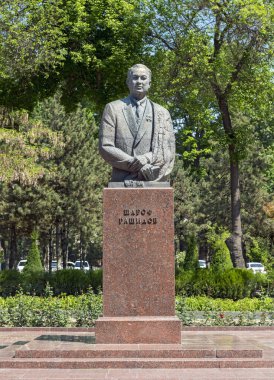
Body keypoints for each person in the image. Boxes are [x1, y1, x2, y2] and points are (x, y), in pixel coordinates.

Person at [99, 64, 175, 182]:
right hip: (121, 179)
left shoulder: (162, 113)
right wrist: (137, 165)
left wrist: (146, 158)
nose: (139, 81)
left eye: (143, 78)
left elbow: (167, 149)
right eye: (135, 78)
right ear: (128, 82)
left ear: (149, 83)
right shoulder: (113, 108)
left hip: (152, 175)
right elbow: (106, 146)